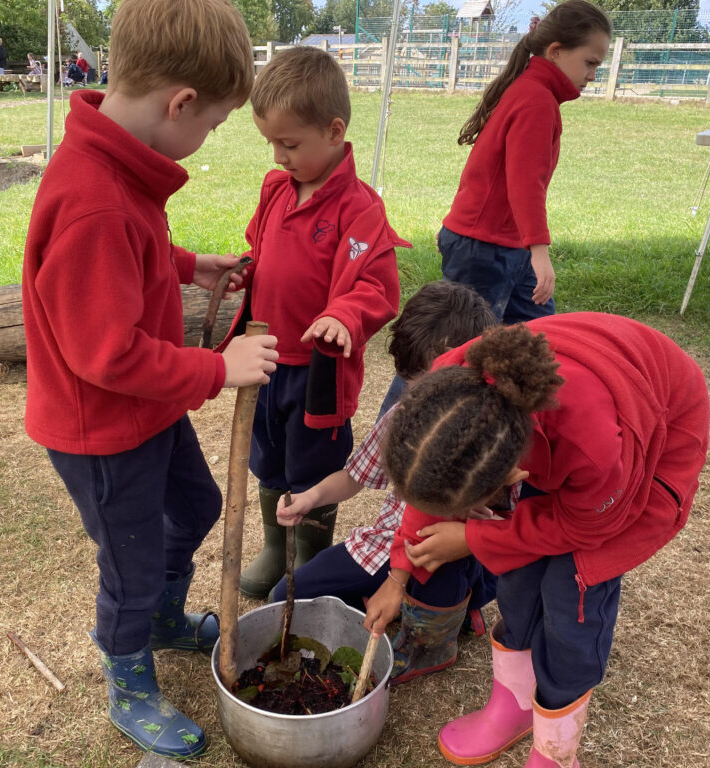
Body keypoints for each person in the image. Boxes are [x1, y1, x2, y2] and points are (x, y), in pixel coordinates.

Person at [21, 0, 277, 760]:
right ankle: (128, 678)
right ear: (182, 103)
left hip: (145, 413)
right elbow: (107, 354)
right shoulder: (93, 199)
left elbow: (136, 250)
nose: (205, 140)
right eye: (213, 125)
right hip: (101, 429)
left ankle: (161, 620)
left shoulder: (114, 166)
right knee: (129, 560)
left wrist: (188, 266)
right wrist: (217, 368)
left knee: (193, 504)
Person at [365, 313, 710, 767]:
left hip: (654, 438)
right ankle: (515, 706)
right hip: (560, 433)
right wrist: (398, 575)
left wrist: (474, 537)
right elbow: (429, 480)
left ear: (513, 474)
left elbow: (586, 528)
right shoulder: (454, 390)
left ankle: (556, 751)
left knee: (573, 597)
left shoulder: (592, 446)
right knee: (519, 577)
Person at [218, 45, 407, 600]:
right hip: (265, 359)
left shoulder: (360, 208)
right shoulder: (277, 189)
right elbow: (263, 249)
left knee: (313, 461)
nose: (278, 156)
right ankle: (276, 548)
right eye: (270, 143)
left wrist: (343, 315)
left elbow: (377, 285)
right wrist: (245, 272)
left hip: (317, 375)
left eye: (289, 144)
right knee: (268, 457)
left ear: (334, 130)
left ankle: (309, 558)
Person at [272, 280, 500, 684]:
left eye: (432, 383)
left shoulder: (497, 430)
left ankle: (443, 628)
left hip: (447, 550)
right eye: (413, 384)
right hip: (384, 544)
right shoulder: (404, 416)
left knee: (441, 572)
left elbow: (511, 524)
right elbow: (355, 476)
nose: (419, 396)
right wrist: (310, 498)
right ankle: (439, 607)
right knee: (284, 598)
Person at [438, 0, 611, 324]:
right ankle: (417, 378)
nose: (592, 75)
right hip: (485, 248)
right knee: (456, 349)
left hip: (504, 244)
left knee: (539, 339)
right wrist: (540, 251)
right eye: (590, 62)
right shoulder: (536, 100)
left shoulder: (535, 93)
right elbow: (525, 183)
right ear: (556, 51)